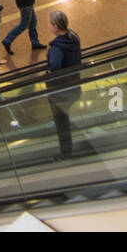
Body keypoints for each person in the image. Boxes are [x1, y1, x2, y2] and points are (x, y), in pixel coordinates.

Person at [46, 10, 82, 158]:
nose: (49, 26)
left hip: (60, 91)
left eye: (50, 24)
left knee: (61, 123)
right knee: (64, 118)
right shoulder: (74, 37)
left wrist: (48, 73)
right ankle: (68, 146)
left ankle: (66, 153)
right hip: (74, 86)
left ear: (55, 26)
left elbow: (54, 67)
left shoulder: (57, 47)